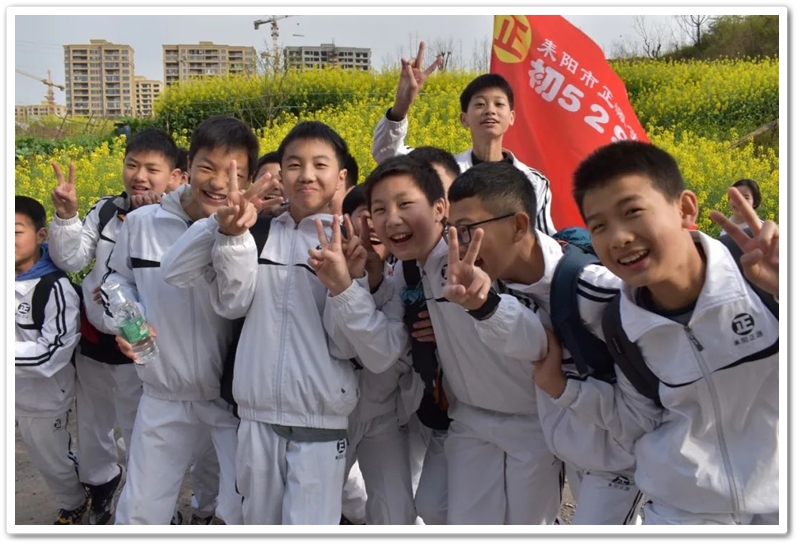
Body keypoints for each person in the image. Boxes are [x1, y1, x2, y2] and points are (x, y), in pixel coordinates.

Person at [534, 140, 779, 525]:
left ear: (685, 208)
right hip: (685, 512)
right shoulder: (621, 325)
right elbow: (637, 421)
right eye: (599, 226)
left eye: (632, 211)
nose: (618, 238)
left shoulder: (765, 275)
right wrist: (563, 389)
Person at [321, 155, 562, 525]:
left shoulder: (476, 253)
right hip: (469, 418)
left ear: (439, 208)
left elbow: (540, 300)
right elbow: (382, 348)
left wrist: (485, 305)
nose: (391, 219)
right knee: (449, 516)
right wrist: (350, 285)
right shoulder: (408, 270)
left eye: (405, 204)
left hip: (531, 420)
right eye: (379, 209)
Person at [161, 121, 369, 525]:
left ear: (341, 176)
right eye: (294, 164)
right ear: (278, 175)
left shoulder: (351, 242)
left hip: (320, 419)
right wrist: (221, 227)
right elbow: (179, 274)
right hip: (256, 417)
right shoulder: (256, 232)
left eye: (320, 164)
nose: (306, 175)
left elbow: (351, 340)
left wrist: (349, 280)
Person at [445, 162, 644, 524]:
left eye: (468, 230)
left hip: (619, 462)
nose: (460, 245)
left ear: (519, 225)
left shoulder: (594, 289)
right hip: (575, 453)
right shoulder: (496, 286)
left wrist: (563, 388)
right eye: (452, 232)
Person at [104, 115, 262, 525]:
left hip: (230, 399)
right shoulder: (142, 223)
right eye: (208, 167)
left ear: (247, 180)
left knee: (241, 508)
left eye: (234, 174)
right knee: (141, 511)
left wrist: (230, 235)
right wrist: (127, 319)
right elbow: (116, 280)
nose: (219, 182)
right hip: (163, 392)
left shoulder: (251, 233)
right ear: (188, 165)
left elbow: (239, 302)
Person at [48, 127, 183, 524]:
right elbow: (72, 259)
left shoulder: (180, 219)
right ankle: (103, 486)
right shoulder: (106, 210)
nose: (140, 176)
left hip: (140, 344)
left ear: (174, 175)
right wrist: (67, 216)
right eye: (132, 165)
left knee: (141, 429)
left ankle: (151, 508)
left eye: (152, 169)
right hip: (94, 340)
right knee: (93, 425)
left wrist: (118, 293)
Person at [372, 42, 556, 236]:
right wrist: (401, 106)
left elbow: (544, 239)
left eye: (499, 104)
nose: (490, 110)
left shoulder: (533, 181)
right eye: (480, 104)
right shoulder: (445, 171)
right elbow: (387, 155)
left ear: (511, 117)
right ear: (464, 118)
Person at [15, 196, 86, 524]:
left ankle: (75, 501)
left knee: (52, 460)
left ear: (41, 235)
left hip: (41, 398)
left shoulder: (53, 288)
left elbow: (52, 353)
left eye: (15, 232)